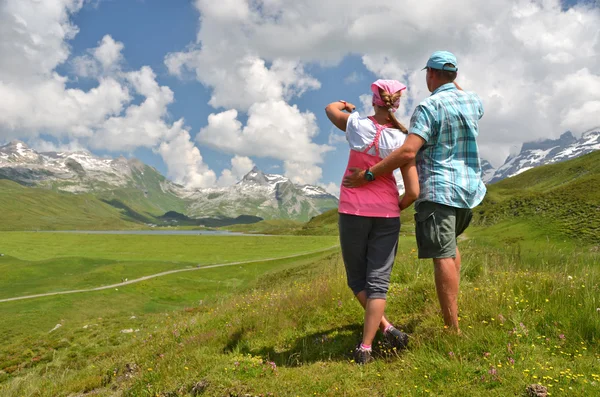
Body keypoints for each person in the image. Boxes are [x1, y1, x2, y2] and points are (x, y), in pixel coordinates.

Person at [343, 51, 486, 334]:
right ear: (454, 76)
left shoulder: (428, 107)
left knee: (442, 255)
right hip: (469, 189)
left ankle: (452, 330)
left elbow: (408, 151)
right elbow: (458, 91)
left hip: (439, 189)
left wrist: (369, 174)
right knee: (451, 248)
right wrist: (452, 81)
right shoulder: (474, 102)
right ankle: (453, 316)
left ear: (430, 73)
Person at [325, 79, 419, 364]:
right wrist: (394, 206)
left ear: (375, 99)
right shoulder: (403, 140)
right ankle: (372, 341)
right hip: (387, 215)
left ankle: (381, 332)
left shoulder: (356, 125)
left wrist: (346, 105)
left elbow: (330, 109)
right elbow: (414, 191)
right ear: (397, 102)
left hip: (353, 211)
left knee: (358, 280)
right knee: (378, 282)